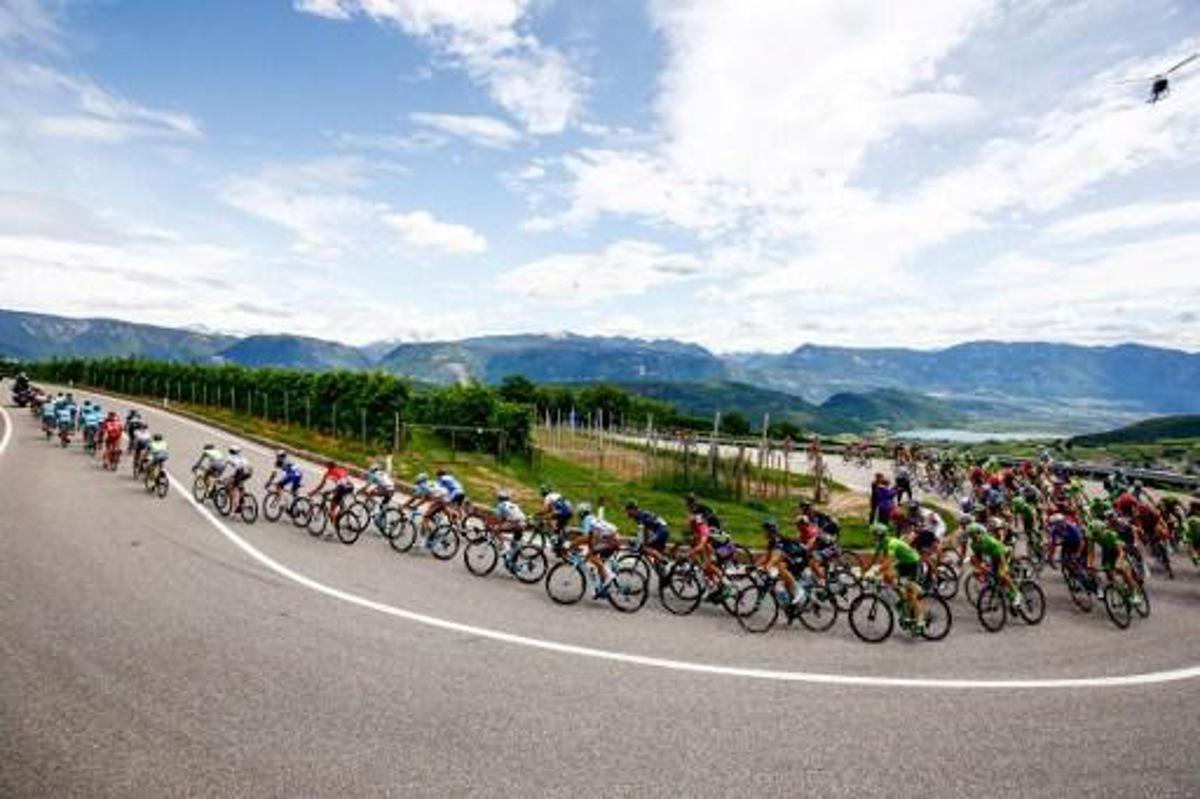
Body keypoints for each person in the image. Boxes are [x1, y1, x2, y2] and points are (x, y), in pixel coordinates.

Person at [309, 460, 354, 527]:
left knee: (331, 510)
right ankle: (344, 512)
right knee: (337, 498)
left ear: (328, 467)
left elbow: (321, 485)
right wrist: (332, 491)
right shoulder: (340, 469)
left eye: (327, 467)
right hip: (350, 487)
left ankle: (335, 528)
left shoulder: (329, 473)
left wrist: (313, 492)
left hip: (343, 487)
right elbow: (344, 478)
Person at [224, 446, 253, 514]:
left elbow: (224, 466)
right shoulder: (241, 456)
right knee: (239, 483)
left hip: (240, 472)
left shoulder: (229, 457)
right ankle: (242, 499)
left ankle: (237, 506)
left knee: (234, 487)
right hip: (249, 472)